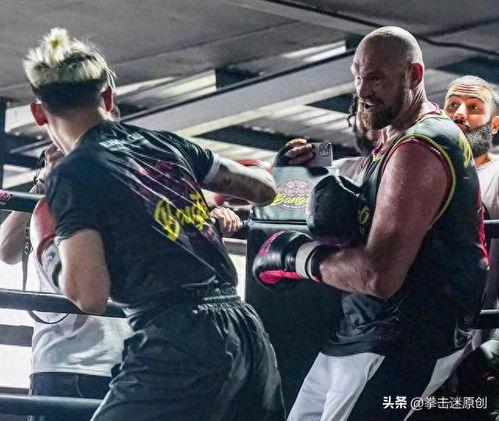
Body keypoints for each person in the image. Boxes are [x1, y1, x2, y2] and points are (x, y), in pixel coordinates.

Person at [23, 27, 284, 421]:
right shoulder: (168, 144)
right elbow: (264, 189)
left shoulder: (71, 173)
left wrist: (49, 251)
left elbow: (89, 295)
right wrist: (195, 206)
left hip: (178, 342)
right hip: (247, 333)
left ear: (38, 112)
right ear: (108, 98)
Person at [253, 26, 488, 420]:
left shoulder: (420, 147)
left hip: (402, 339)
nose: (363, 90)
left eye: (376, 78)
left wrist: (295, 256)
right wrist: (302, 177)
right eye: (357, 76)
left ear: (414, 75)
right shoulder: (392, 142)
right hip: (357, 330)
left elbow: (379, 276)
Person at [0, 145, 133, 421]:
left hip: (126, 363)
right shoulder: (50, 208)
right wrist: (43, 182)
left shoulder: (128, 204)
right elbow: (6, 250)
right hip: (63, 363)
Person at [443, 75, 499, 347]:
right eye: (452, 105)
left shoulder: (496, 173)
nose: (460, 114)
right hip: (422, 323)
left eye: (474, 107)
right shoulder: (422, 169)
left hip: (476, 332)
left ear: (495, 124)